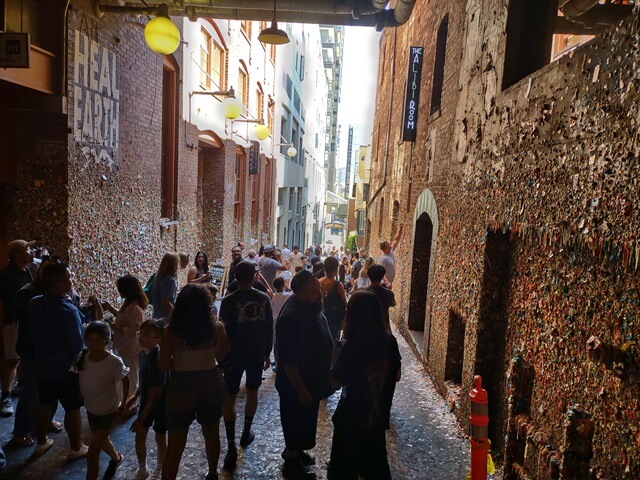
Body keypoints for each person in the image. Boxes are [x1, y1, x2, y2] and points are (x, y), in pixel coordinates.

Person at [327, 290, 401, 480]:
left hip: (351, 420)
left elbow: (335, 382)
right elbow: (397, 375)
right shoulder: (389, 341)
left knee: (343, 472)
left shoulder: (352, 346)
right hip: (376, 419)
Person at [159, 284, 228, 480]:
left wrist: (182, 359)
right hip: (209, 382)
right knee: (211, 433)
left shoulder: (170, 332)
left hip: (182, 385)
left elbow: (163, 365)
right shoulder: (217, 328)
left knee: (175, 443)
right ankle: (213, 472)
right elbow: (221, 355)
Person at [276, 270, 334, 479]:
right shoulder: (292, 318)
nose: (319, 294)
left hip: (310, 380)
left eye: (318, 289)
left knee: (304, 422)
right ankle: (291, 463)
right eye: (313, 291)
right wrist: (301, 389)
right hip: (297, 384)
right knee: (294, 422)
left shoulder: (307, 306)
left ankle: (297, 452)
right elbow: (289, 361)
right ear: (300, 293)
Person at [29, 262, 88, 459]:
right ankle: (76, 447)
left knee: (44, 403)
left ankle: (41, 442)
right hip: (65, 368)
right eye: (69, 278)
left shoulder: (35, 303)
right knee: (72, 408)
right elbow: (77, 343)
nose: (72, 281)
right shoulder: (67, 310)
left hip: (42, 364)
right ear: (59, 284)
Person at [219, 261, 273, 470]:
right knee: (252, 392)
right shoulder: (264, 299)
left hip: (234, 354)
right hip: (256, 353)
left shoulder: (228, 301)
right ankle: (246, 432)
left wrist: (222, 359)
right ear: (254, 277)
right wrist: (267, 353)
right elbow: (269, 328)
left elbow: (223, 331)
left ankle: (231, 444)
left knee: (230, 397)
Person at [11, 259, 63, 447]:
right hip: (32, 349)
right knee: (31, 391)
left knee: (51, 389)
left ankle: (46, 421)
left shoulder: (57, 292)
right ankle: (21, 432)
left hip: (52, 350)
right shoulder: (27, 293)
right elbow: (27, 325)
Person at [73, 321, 129, 480]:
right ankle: (117, 458)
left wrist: (124, 403)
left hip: (108, 410)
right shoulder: (83, 356)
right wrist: (80, 392)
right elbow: (79, 374)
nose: (93, 344)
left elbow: (126, 380)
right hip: (91, 407)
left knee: (92, 454)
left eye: (99, 340)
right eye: (90, 340)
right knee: (103, 440)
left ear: (107, 341)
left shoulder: (114, 362)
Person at [126, 320, 167, 479]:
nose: (141, 338)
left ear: (158, 339)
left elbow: (155, 393)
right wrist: (135, 395)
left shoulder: (157, 359)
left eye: (147, 336)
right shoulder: (142, 353)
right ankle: (143, 468)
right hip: (147, 401)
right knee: (140, 437)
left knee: (160, 436)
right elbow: (144, 380)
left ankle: (160, 467)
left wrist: (142, 418)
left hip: (160, 403)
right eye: (140, 334)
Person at [102, 274, 148, 416]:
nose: (119, 292)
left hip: (131, 349)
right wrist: (111, 309)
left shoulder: (136, 310)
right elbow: (123, 318)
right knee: (125, 377)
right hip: (123, 347)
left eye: (120, 289)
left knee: (132, 378)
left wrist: (114, 326)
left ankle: (131, 405)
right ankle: (125, 402)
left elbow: (134, 330)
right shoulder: (128, 303)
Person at [0, 239, 36, 417]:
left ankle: (20, 385)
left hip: (28, 320)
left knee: (24, 355)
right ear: (17, 255)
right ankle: (5, 396)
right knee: (11, 360)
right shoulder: (6, 276)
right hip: (13, 322)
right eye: (27, 249)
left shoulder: (29, 270)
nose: (31, 252)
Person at [320, 257, 347, 341]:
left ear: (324, 268)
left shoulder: (318, 282)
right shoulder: (338, 285)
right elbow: (345, 303)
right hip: (334, 319)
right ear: (336, 270)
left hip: (320, 317)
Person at [366, 265, 396, 332]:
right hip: (384, 328)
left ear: (368, 276)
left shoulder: (362, 292)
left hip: (367, 328)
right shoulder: (389, 293)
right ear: (382, 277)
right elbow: (392, 304)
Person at [152, 253, 179, 323]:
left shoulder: (156, 278)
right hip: (166, 318)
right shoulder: (171, 281)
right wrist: (176, 314)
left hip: (155, 315)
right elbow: (166, 302)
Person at [378, 225, 403, 289]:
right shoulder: (383, 259)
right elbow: (380, 272)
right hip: (384, 285)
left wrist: (400, 229)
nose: (390, 245)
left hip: (389, 284)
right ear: (385, 248)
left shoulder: (391, 251)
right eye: (388, 245)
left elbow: (396, 240)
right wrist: (387, 282)